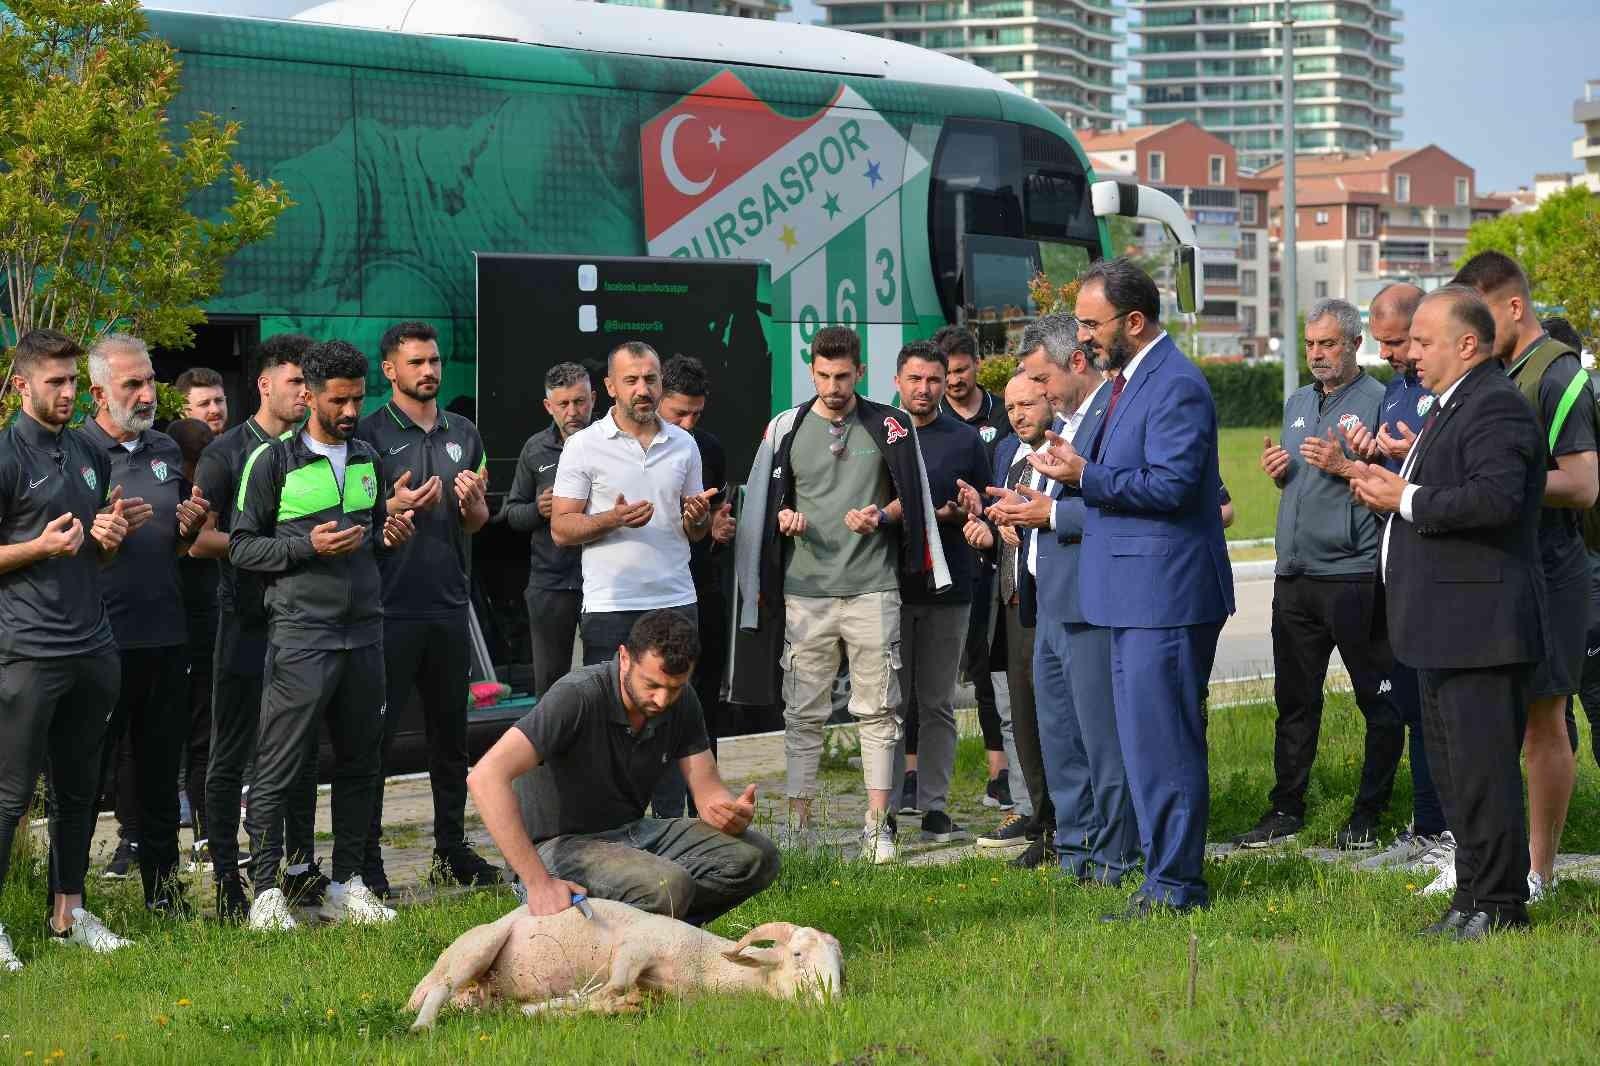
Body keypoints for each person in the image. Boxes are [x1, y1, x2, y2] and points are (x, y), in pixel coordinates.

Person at [1029, 258, 1234, 917]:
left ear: (1134, 322)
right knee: (1144, 747)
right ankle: (1160, 877)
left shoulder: (1174, 385)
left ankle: (1177, 885)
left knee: (1164, 746)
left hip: (1165, 595)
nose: (1082, 338)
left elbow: (1171, 486)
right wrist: (1076, 468)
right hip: (1131, 596)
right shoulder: (1127, 384)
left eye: (1091, 324)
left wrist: (1085, 473)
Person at [1347, 285, 1546, 940]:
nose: (1413, 353)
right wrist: (1392, 487)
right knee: (1458, 774)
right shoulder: (1449, 406)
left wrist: (1404, 497)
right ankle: (1471, 896)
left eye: (1425, 341)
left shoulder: (1497, 406)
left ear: (1467, 344)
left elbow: (1494, 501)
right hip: (1441, 626)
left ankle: (1501, 905)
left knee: (1484, 771)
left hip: (1480, 627)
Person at [732, 325, 950, 864]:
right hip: (805, 592)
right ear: (811, 372)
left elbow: (913, 501)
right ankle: (800, 827)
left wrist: (881, 514)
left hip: (874, 589)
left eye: (843, 376)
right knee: (802, 714)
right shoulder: (786, 426)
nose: (833, 386)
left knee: (879, 711)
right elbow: (762, 505)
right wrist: (784, 518)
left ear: (861, 373)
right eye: (824, 376)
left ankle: (879, 826)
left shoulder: (891, 426)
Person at [230, 339, 416, 931]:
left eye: (358, 399)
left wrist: (392, 532)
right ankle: (264, 891)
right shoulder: (272, 462)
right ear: (307, 395)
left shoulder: (367, 456)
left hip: (364, 632)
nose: (349, 411)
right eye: (338, 400)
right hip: (301, 634)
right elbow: (240, 546)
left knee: (363, 763)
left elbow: (372, 531)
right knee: (279, 763)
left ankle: (349, 881)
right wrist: (303, 546)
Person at [471, 610, 777, 921]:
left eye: (674, 688)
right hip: (555, 847)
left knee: (757, 857)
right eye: (652, 685)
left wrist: (727, 812)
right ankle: (625, 941)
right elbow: (485, 778)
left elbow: (708, 792)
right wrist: (538, 883)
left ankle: (657, 938)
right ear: (625, 657)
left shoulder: (683, 701)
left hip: (631, 832)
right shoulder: (577, 696)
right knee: (668, 887)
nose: (662, 699)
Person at [1455, 251, 1598, 901]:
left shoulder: (1559, 373)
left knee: (1545, 719)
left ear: (1513, 307)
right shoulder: (1499, 370)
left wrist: (1499, 486)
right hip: (1502, 564)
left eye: (1480, 314)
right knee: (1492, 722)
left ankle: (1539, 871)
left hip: (1553, 569)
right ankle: (1489, 862)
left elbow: (1583, 484)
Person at [1237, 298, 1404, 851]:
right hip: (1296, 576)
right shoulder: (1298, 402)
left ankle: (1369, 812)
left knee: (1378, 701)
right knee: (1295, 701)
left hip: (1354, 575)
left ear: (1355, 344)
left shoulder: (1381, 401)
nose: (1317, 355)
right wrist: (1280, 473)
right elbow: (1302, 480)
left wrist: (1346, 465)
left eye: (1328, 344)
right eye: (1310, 344)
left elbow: (1393, 489)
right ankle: (1286, 807)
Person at [0, 329, 133, 970]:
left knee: (80, 790)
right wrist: (36, 548)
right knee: (10, 793)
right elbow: (29, 550)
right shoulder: (4, 456)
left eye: (73, 381)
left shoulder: (86, 450)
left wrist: (109, 536)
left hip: (92, 645)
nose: (68, 393)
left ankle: (69, 914)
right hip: (27, 651)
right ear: (22, 383)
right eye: (54, 382)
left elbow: (97, 552)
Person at [994, 313, 1140, 885]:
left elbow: (1124, 503)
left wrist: (1048, 512)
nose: (1037, 392)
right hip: (1046, 603)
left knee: (1099, 740)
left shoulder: (1111, 416)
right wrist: (1025, 504)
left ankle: (1114, 854)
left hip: (1087, 603)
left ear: (1074, 363)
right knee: (1060, 740)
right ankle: (1076, 849)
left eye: (1040, 378)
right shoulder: (1070, 424)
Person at [356, 321, 497, 896]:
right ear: (390, 370)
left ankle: (450, 849)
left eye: (434, 361)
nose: (429, 371)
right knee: (376, 740)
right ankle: (367, 859)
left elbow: (477, 522)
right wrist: (391, 506)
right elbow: (352, 520)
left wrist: (472, 503)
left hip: (448, 607)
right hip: (386, 610)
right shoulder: (366, 435)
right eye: (416, 362)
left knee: (451, 738)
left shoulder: (463, 430)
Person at [192, 334, 323, 922]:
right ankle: (226, 875)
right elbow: (200, 541)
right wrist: (287, 549)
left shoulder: (314, 449)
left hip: (301, 624)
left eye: (309, 383)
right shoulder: (227, 452)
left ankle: (298, 868)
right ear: (265, 384)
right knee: (232, 751)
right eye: (296, 382)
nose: (305, 393)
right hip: (244, 621)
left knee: (295, 750)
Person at [83, 336, 210, 914]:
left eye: (150, 380)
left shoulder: (164, 448)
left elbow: (178, 549)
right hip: (97, 639)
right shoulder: (74, 452)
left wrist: (187, 530)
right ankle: (70, 901)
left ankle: (164, 893)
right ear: (98, 393)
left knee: (162, 775)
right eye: (131, 384)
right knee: (85, 780)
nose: (146, 393)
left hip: (165, 634)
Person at [1340, 283, 1451, 875]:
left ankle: (1451, 830)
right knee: (1411, 703)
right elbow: (1391, 481)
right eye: (1381, 342)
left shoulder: (1450, 394)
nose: (1387, 354)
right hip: (1396, 566)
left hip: (1440, 575)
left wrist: (1408, 460)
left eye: (1397, 341)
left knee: (1441, 708)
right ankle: (1428, 824)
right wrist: (1367, 458)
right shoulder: (1399, 391)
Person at [885, 340, 989, 843]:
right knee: (889, 703)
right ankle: (882, 807)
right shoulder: (879, 434)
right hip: (889, 588)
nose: (924, 389)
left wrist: (970, 510)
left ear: (946, 382)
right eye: (915, 380)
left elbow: (987, 506)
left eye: (934, 380)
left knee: (938, 703)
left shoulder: (966, 441)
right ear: (897, 382)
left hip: (950, 590)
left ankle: (934, 807)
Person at [550, 341, 711, 664]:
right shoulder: (583, 445)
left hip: (675, 599)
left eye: (651, 380)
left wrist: (698, 518)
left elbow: (695, 532)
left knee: (673, 709)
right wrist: (614, 518)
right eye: (631, 381)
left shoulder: (684, 444)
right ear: (610, 386)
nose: (643, 389)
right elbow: (561, 529)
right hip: (611, 605)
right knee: (611, 709)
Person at [967, 374, 1056, 864]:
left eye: (1029, 404)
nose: (1019, 414)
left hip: (1048, 605)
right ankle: (1040, 819)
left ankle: (1065, 824)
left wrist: (1030, 528)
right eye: (1013, 406)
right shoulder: (1004, 453)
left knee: (1053, 718)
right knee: (1020, 719)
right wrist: (986, 530)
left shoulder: (1063, 452)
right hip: (1008, 603)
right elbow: (1004, 524)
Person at [651, 354, 738, 818]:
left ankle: (705, 810)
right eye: (678, 413)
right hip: (651, 592)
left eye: (696, 415)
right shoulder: (636, 448)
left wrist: (714, 528)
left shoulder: (709, 448)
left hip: (702, 587)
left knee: (701, 704)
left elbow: (712, 520)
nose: (686, 423)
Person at [933, 324, 1012, 808]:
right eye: (948, 373)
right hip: (946, 548)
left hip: (995, 548)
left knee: (990, 662)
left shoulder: (1004, 412)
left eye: (962, 370)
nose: (955, 381)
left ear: (976, 366)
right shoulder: (928, 416)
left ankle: (999, 772)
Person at [503, 362, 594, 696]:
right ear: (548, 406)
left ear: (593, 398)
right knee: (551, 687)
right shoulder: (535, 448)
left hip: (603, 580)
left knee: (610, 676)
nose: (573, 411)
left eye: (580, 401)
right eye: (563, 404)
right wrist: (539, 511)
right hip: (550, 583)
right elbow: (511, 513)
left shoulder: (612, 442)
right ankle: (551, 749)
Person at [166, 417, 220, 874]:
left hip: (193, 622)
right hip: (179, 622)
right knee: (194, 736)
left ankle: (199, 836)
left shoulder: (188, 490)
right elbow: (197, 546)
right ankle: (199, 835)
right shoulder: (178, 489)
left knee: (192, 735)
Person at [175, 366, 229, 435]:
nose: (215, 410)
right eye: (204, 404)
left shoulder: (244, 444)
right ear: (183, 412)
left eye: (219, 400)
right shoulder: (168, 445)